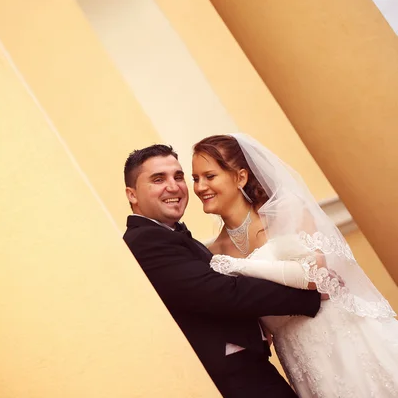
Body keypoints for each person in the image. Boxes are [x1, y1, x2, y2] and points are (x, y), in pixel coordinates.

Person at [192, 133, 398, 397]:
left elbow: (316, 276)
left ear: (240, 177)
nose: (200, 187)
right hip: (298, 354)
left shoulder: (285, 212)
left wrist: (240, 266)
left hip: (340, 335)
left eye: (209, 176)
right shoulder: (213, 252)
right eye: (195, 178)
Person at [122, 144, 323, 397]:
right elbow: (223, 292)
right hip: (235, 378)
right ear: (132, 194)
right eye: (158, 179)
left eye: (179, 176)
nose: (174, 186)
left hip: (250, 370)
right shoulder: (145, 240)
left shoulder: (172, 235)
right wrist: (306, 296)